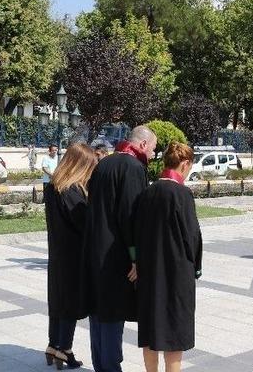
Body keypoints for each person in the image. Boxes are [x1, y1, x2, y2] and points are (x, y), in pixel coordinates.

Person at [85, 126, 157, 372]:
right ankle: (111, 367)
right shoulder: (133, 167)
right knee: (113, 313)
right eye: (154, 149)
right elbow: (131, 215)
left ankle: (101, 366)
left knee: (98, 312)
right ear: (144, 145)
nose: (153, 155)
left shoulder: (104, 163)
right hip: (116, 254)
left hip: (95, 248)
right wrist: (136, 257)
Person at [134, 142, 202, 372]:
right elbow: (192, 236)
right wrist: (197, 266)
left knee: (151, 331)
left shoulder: (147, 192)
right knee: (174, 335)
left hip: (150, 271)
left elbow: (137, 231)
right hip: (176, 273)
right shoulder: (182, 194)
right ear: (185, 164)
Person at [44, 143, 98, 369]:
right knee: (70, 305)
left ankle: (53, 345)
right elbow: (84, 223)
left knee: (57, 301)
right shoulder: (72, 191)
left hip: (57, 253)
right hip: (74, 256)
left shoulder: (54, 187)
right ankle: (65, 349)